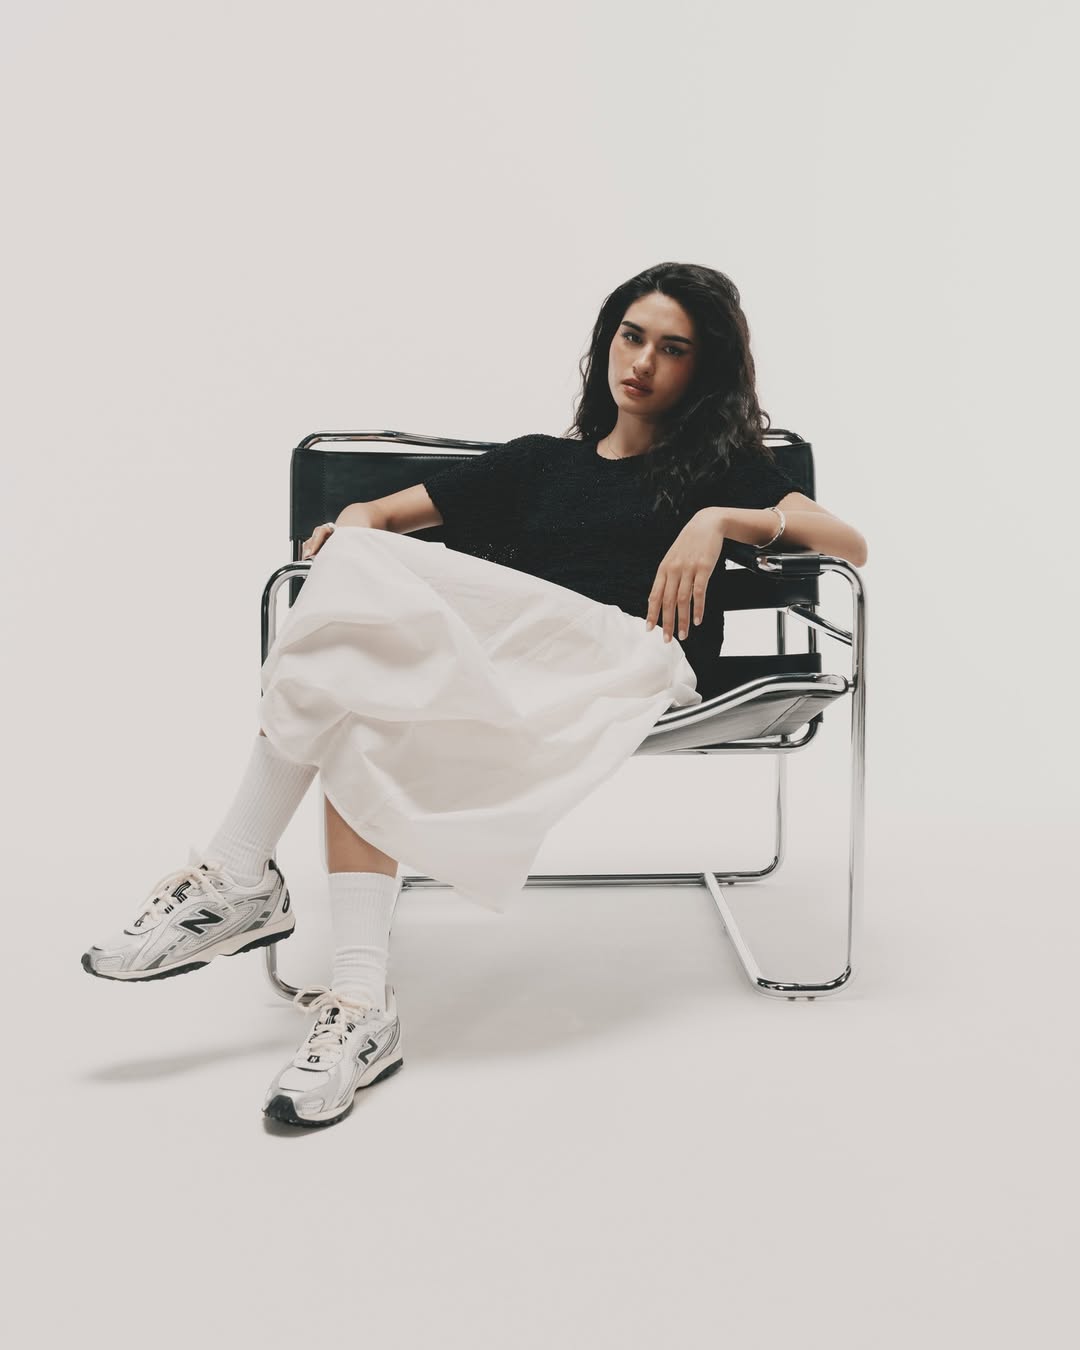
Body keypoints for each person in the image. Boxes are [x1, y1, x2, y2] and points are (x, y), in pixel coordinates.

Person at [82, 262, 868, 1130]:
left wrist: (720, 520)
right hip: (514, 667)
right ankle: (356, 1004)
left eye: (673, 349)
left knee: (357, 658)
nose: (643, 362)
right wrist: (347, 538)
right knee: (358, 685)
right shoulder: (536, 464)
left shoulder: (722, 473)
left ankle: (240, 877)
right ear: (607, 341)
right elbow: (375, 518)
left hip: (629, 668)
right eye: (631, 336)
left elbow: (848, 543)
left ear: (703, 369)